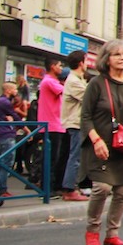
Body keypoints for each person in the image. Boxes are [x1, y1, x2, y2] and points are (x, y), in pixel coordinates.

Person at [79, 40, 123, 245]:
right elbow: (86, 116)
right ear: (107, 59)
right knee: (101, 187)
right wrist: (95, 140)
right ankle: (92, 231)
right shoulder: (97, 83)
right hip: (101, 143)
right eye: (117, 54)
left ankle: (112, 234)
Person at [60, 50, 90, 201]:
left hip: (78, 122)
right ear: (80, 63)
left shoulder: (78, 79)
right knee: (75, 156)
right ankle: (70, 188)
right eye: (85, 60)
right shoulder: (73, 81)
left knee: (78, 156)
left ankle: (74, 186)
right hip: (75, 122)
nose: (87, 64)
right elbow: (88, 98)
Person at [38, 58, 68, 194]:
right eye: (59, 65)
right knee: (51, 158)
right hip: (51, 125)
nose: (61, 68)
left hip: (56, 124)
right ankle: (46, 188)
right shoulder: (49, 81)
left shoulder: (52, 81)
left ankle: (49, 187)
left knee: (53, 158)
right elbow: (67, 91)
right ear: (52, 66)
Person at [0, 82, 20, 204]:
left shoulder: (1, 102)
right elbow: (15, 116)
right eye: (15, 89)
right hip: (6, 134)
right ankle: (1, 189)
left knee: (3, 162)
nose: (16, 91)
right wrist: (27, 129)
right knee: (6, 162)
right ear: (8, 90)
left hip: (4, 134)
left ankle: (1, 188)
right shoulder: (4, 102)